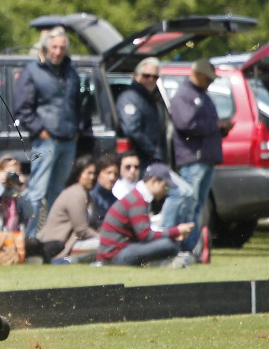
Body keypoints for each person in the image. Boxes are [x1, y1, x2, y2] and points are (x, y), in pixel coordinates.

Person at [12, 26, 82, 224]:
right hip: (46, 141)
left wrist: (78, 129)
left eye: (62, 47)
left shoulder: (71, 72)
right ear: (46, 48)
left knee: (58, 193)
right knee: (37, 191)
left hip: (69, 139)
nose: (58, 51)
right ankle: (31, 239)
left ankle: (53, 239)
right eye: (54, 47)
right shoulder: (33, 71)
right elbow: (22, 107)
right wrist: (39, 130)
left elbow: (78, 104)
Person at [160, 59, 231, 252]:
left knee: (198, 205)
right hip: (193, 157)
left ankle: (190, 246)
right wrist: (215, 127)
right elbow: (185, 125)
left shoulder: (202, 95)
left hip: (206, 156)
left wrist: (222, 128)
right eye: (208, 79)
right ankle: (179, 246)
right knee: (188, 203)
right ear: (197, 74)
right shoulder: (184, 95)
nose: (210, 83)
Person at [98, 163, 194, 266]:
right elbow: (146, 235)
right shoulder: (138, 200)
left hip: (117, 251)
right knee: (168, 244)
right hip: (116, 255)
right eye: (164, 186)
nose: (166, 191)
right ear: (153, 181)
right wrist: (176, 231)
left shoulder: (137, 197)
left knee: (168, 243)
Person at [35, 156, 100, 263]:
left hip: (75, 242)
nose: (92, 177)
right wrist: (103, 238)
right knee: (102, 245)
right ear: (78, 174)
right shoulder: (75, 194)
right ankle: (67, 260)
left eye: (94, 174)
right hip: (61, 246)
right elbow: (81, 229)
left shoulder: (87, 195)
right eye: (88, 173)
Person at [116, 57, 168, 168]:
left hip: (151, 157)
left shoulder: (150, 98)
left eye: (155, 77)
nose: (151, 80)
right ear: (136, 76)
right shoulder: (130, 97)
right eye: (146, 76)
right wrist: (153, 151)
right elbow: (132, 129)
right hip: (140, 158)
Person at [0, 154, 36, 237]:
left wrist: (23, 190)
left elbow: (30, 214)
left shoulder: (18, 193)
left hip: (14, 239)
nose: (11, 177)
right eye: (9, 173)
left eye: (15, 173)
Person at [89, 153, 119, 227]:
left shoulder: (114, 201)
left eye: (115, 174)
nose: (112, 178)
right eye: (108, 173)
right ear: (98, 173)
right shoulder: (90, 196)